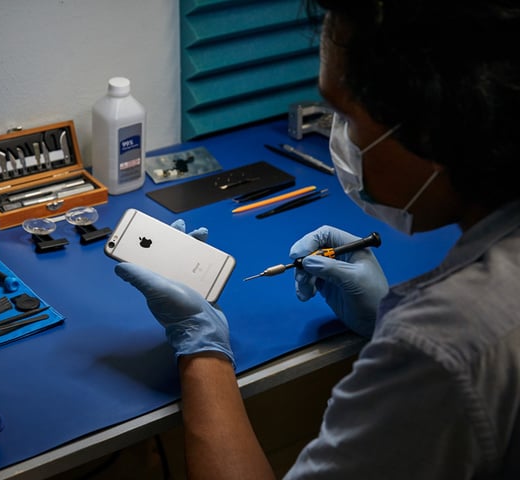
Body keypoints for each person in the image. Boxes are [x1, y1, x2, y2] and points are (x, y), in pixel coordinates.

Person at [114, 0, 520, 478]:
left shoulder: (445, 346)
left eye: (345, 115)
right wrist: (378, 321)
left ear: (433, 130)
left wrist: (201, 347)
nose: (337, 139)